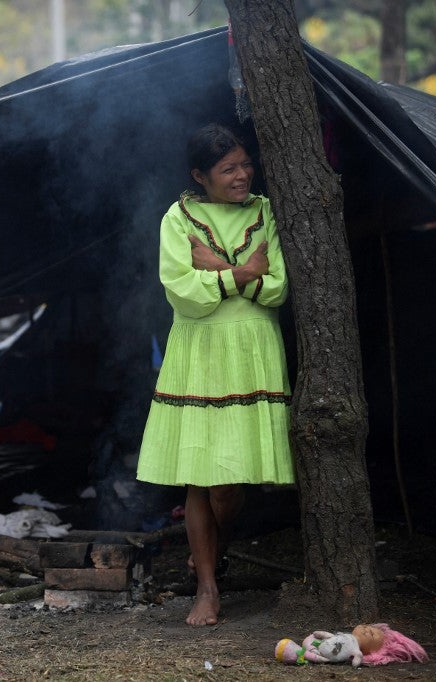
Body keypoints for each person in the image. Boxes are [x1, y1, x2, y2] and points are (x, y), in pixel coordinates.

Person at [136, 123, 294, 626]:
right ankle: (207, 587)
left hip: (252, 348)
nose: (242, 175)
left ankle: (214, 550)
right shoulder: (178, 218)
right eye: (228, 169)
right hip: (199, 349)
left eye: (245, 164)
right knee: (201, 477)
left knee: (231, 482)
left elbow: (277, 288)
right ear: (199, 176)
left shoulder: (268, 212)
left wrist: (218, 269)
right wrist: (243, 271)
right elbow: (183, 294)